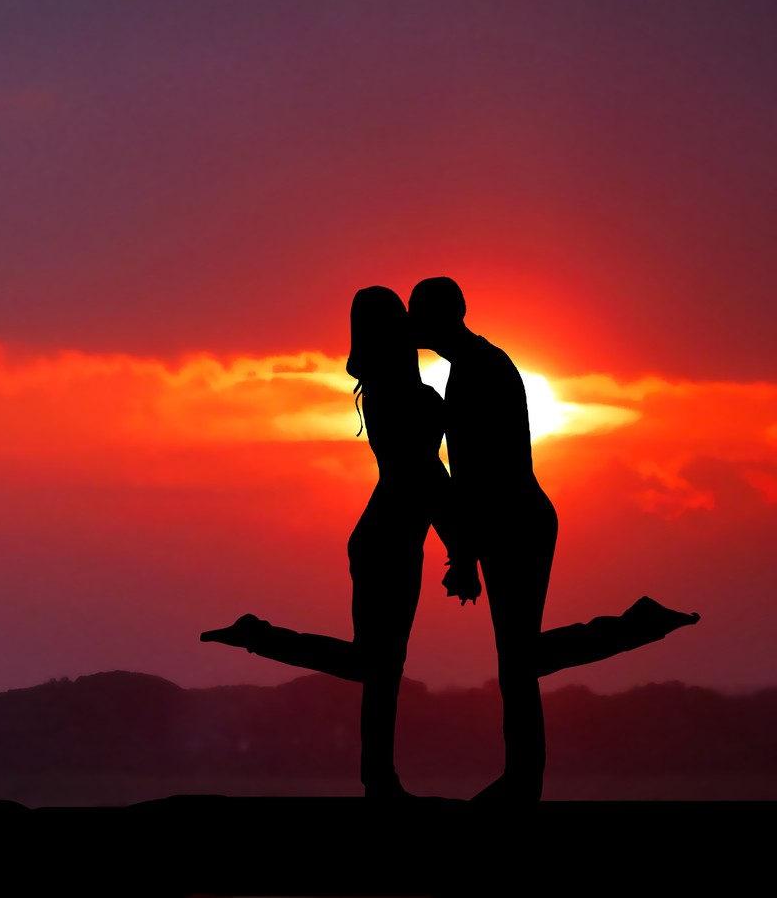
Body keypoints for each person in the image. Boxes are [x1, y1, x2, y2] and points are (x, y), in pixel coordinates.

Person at [201, 283, 699, 800]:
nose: (414, 329)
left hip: (503, 525)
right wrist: (462, 549)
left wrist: (463, 548)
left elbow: (465, 473)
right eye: (405, 321)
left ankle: (474, 780)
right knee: (401, 664)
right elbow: (432, 476)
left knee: (471, 662)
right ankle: (429, 779)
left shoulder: (466, 375)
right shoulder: (414, 393)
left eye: (419, 318)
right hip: (413, 537)